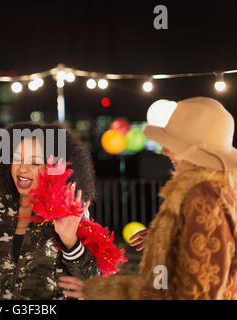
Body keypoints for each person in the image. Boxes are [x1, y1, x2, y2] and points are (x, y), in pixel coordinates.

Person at [59, 97, 237, 299]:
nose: (164, 150)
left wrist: (102, 290)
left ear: (195, 151)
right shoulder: (223, 189)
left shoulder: (203, 197)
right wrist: (172, 235)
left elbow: (193, 292)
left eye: (173, 144)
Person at [0, 121, 100, 300]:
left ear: (52, 167)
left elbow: (93, 283)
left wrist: (71, 242)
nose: (23, 168)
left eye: (35, 162)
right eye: (17, 159)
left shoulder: (70, 211)